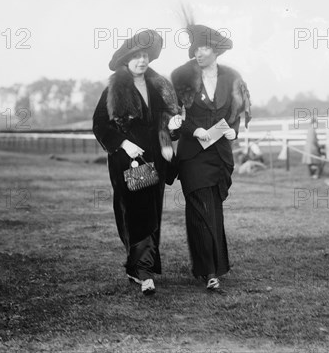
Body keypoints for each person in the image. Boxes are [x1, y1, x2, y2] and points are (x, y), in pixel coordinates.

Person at [92, 30, 182, 295]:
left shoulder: (158, 88)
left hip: (157, 158)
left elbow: (166, 123)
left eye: (145, 56)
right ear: (126, 60)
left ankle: (139, 268)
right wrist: (123, 143)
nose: (142, 60)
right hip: (128, 162)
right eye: (136, 56)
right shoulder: (113, 90)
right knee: (137, 213)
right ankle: (144, 273)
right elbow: (100, 126)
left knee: (152, 211)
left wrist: (173, 128)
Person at [171, 23, 251, 291]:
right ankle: (209, 272)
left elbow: (237, 111)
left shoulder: (231, 78)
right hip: (193, 155)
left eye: (205, 48)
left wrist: (233, 132)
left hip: (219, 155)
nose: (199, 53)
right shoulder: (181, 77)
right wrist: (195, 130)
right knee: (199, 208)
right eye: (196, 49)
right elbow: (171, 116)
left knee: (213, 209)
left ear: (216, 51)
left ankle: (216, 266)